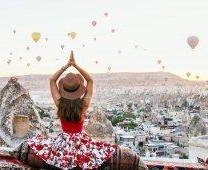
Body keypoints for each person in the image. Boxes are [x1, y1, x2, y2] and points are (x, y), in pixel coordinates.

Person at [15, 51, 148, 170]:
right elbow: (90, 80)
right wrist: (76, 65)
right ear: (78, 88)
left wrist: (66, 66)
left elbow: (52, 80)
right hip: (81, 142)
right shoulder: (83, 104)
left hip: (63, 141)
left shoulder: (60, 103)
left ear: (64, 89)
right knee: (98, 152)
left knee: (41, 144)